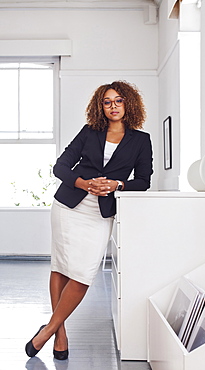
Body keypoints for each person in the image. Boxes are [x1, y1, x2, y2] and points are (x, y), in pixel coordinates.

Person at [25, 80, 153, 360]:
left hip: (101, 212)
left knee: (83, 273)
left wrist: (116, 185)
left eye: (119, 100)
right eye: (107, 102)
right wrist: (84, 183)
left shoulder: (141, 140)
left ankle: (46, 330)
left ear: (128, 103)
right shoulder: (89, 132)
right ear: (100, 106)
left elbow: (143, 181)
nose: (113, 106)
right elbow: (60, 167)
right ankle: (60, 333)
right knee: (60, 267)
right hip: (69, 205)